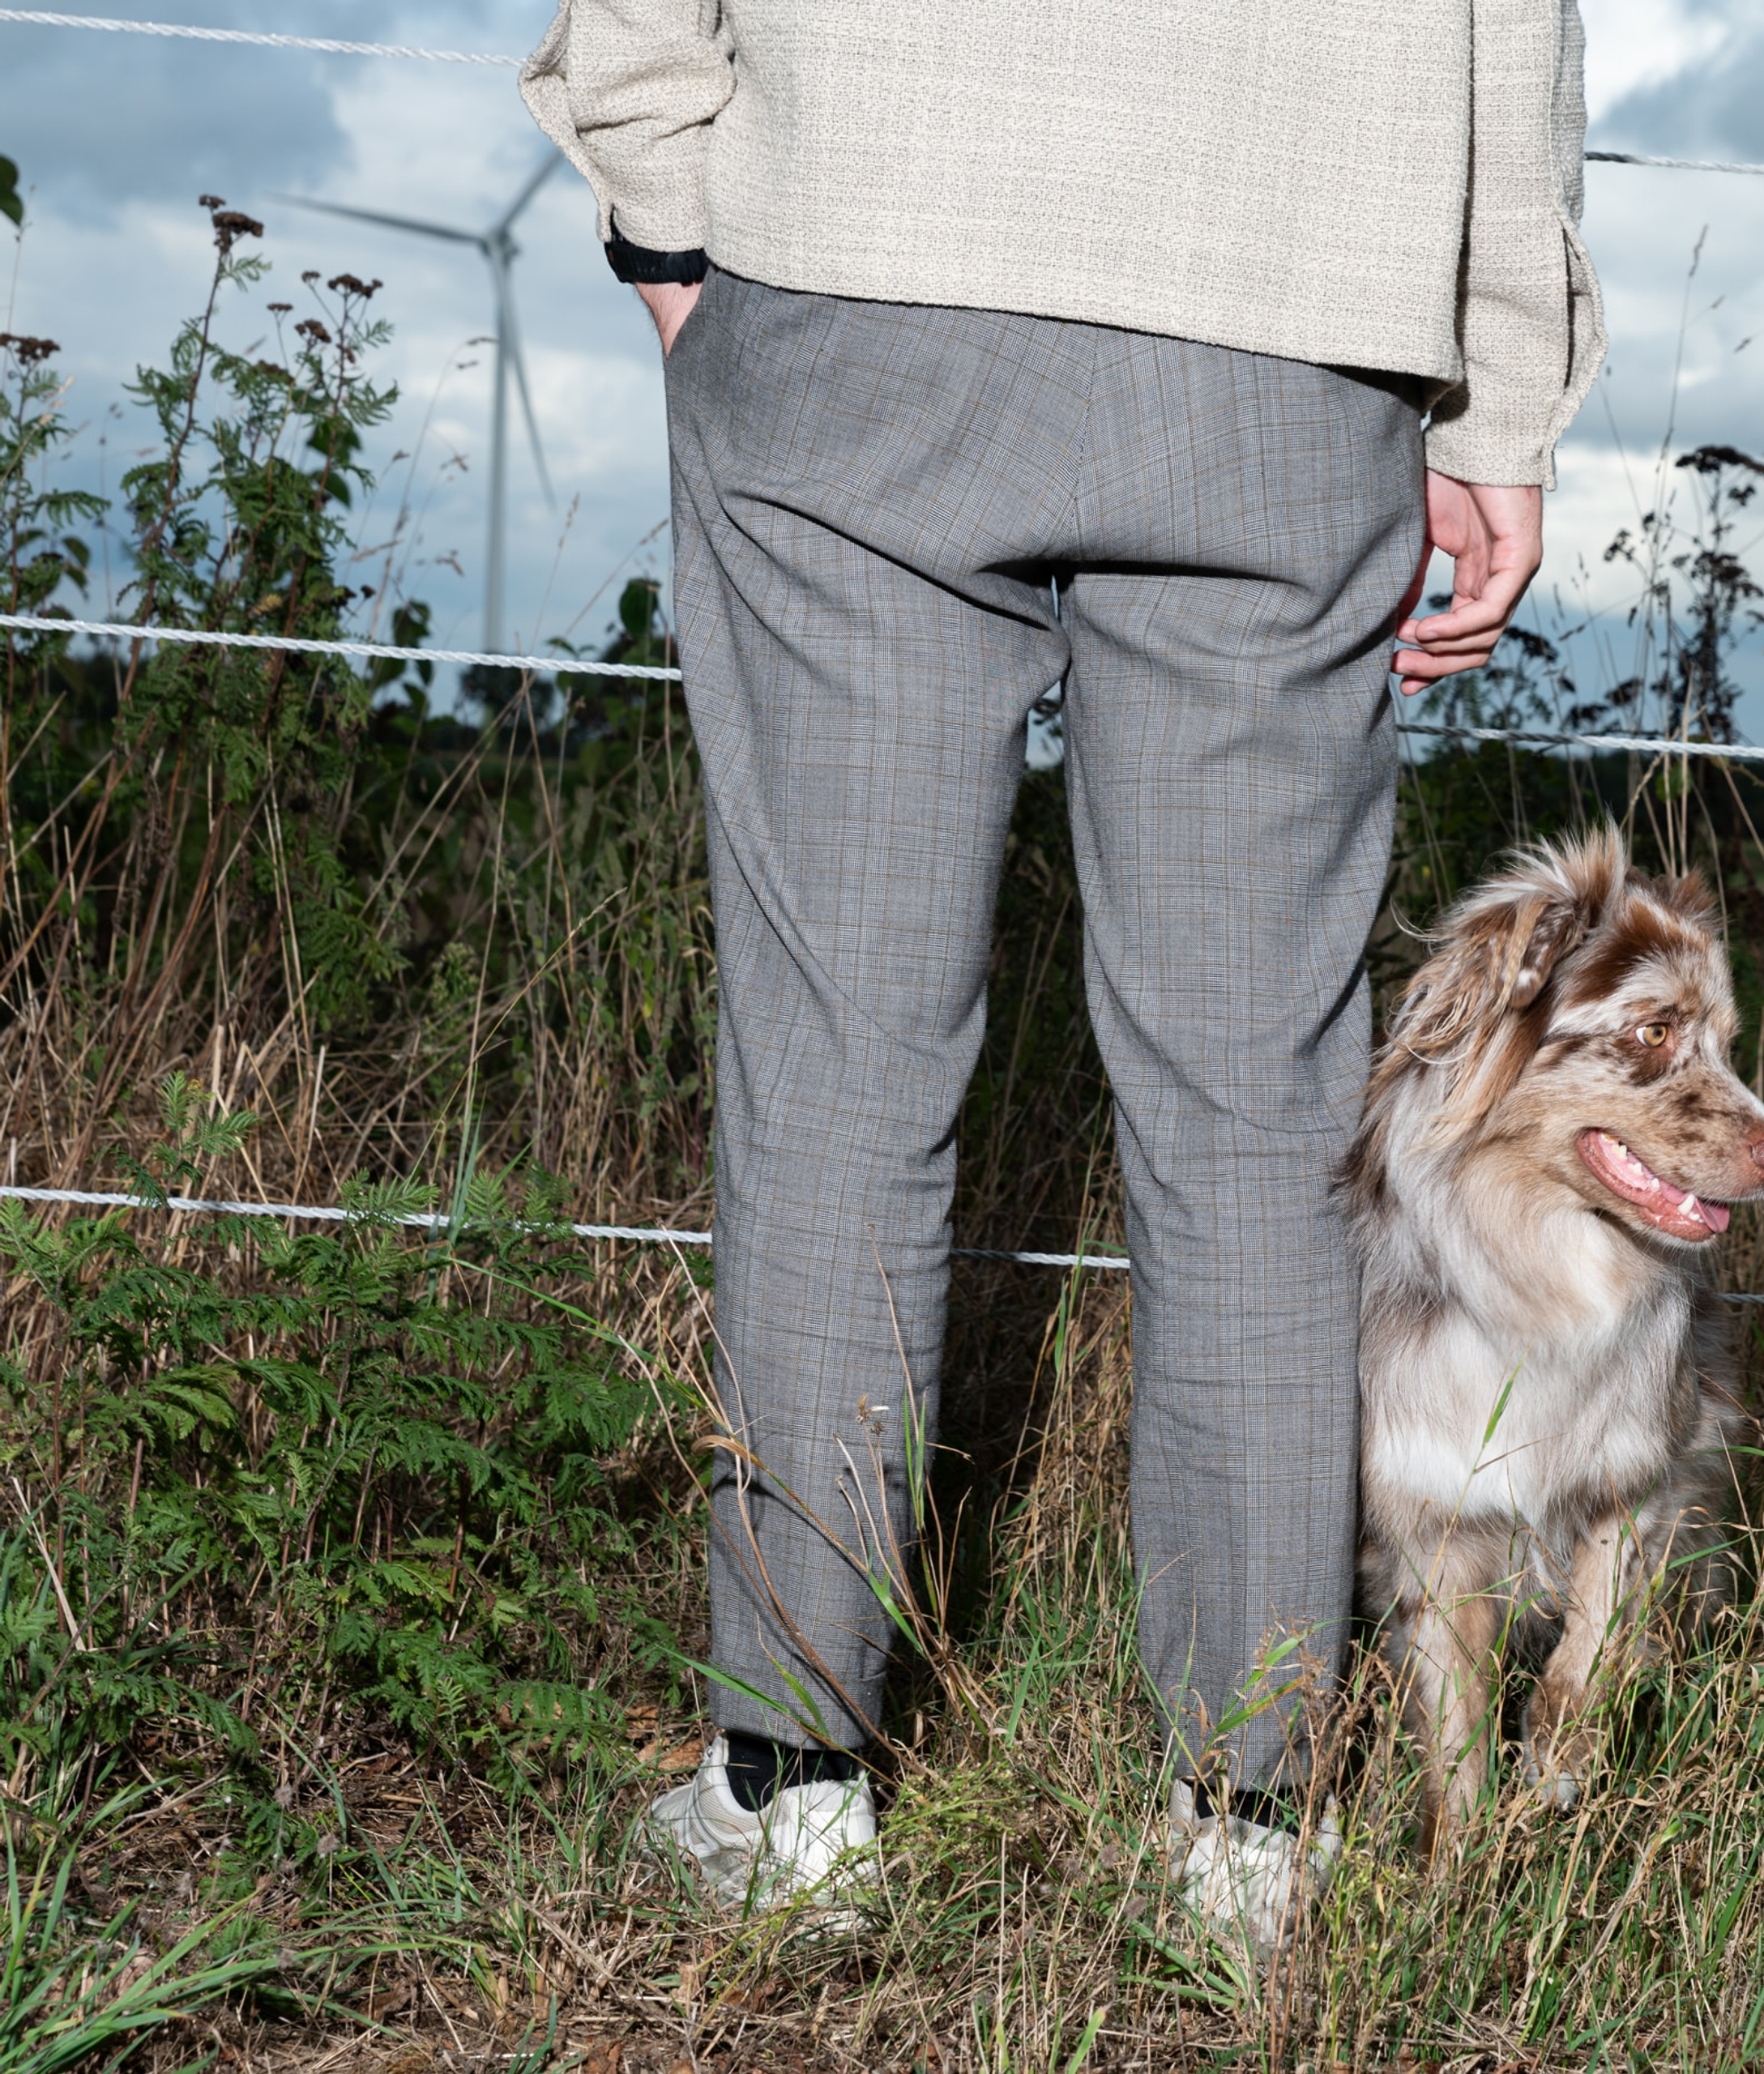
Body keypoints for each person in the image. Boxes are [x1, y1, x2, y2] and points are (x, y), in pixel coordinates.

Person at [518, 0, 1601, 1946]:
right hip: (1291, 321)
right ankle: (1247, 1824)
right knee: (1256, 1101)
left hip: (863, 274)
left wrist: (667, 215)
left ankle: (789, 1784)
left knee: (841, 1050)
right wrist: (1500, 395)